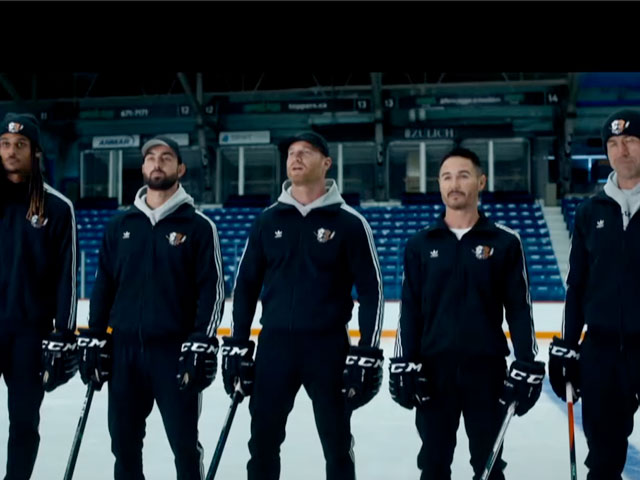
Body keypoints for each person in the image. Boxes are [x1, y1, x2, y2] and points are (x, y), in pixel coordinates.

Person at [221, 131, 384, 480]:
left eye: (305, 152)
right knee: (262, 443)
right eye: (291, 153)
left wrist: (367, 352)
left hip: (328, 348)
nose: (295, 158)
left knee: (337, 443)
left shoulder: (350, 223)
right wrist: (236, 344)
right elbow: (245, 285)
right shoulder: (267, 221)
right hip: (274, 347)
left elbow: (372, 291)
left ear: (326, 162)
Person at [389, 147, 545, 480]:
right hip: (432, 372)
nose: (454, 183)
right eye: (446, 177)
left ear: (480, 181)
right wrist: (403, 359)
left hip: (486, 371)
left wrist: (526, 361)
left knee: (488, 467)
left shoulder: (504, 242)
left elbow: (519, 307)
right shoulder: (419, 244)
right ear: (439, 184)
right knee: (433, 463)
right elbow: (410, 309)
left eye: (463, 175)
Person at [78, 135, 225, 480]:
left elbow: (213, 289)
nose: (157, 163)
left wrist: (201, 339)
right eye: (150, 158)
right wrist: (95, 335)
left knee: (185, 445)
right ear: (142, 167)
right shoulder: (121, 226)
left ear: (181, 168)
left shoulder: (200, 227)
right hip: (125, 351)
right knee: (124, 444)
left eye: (166, 157)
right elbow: (104, 284)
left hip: (173, 352)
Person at [549, 109, 640, 480]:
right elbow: (577, 286)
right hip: (601, 351)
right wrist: (568, 345)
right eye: (614, 144)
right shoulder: (590, 211)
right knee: (603, 458)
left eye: (631, 141)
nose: (622, 150)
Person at [0, 112, 78, 479]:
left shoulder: (58, 208)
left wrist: (63, 334)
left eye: (20, 145)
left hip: (30, 335)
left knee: (24, 421)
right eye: (4, 144)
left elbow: (68, 278)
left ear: (34, 152)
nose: (11, 151)